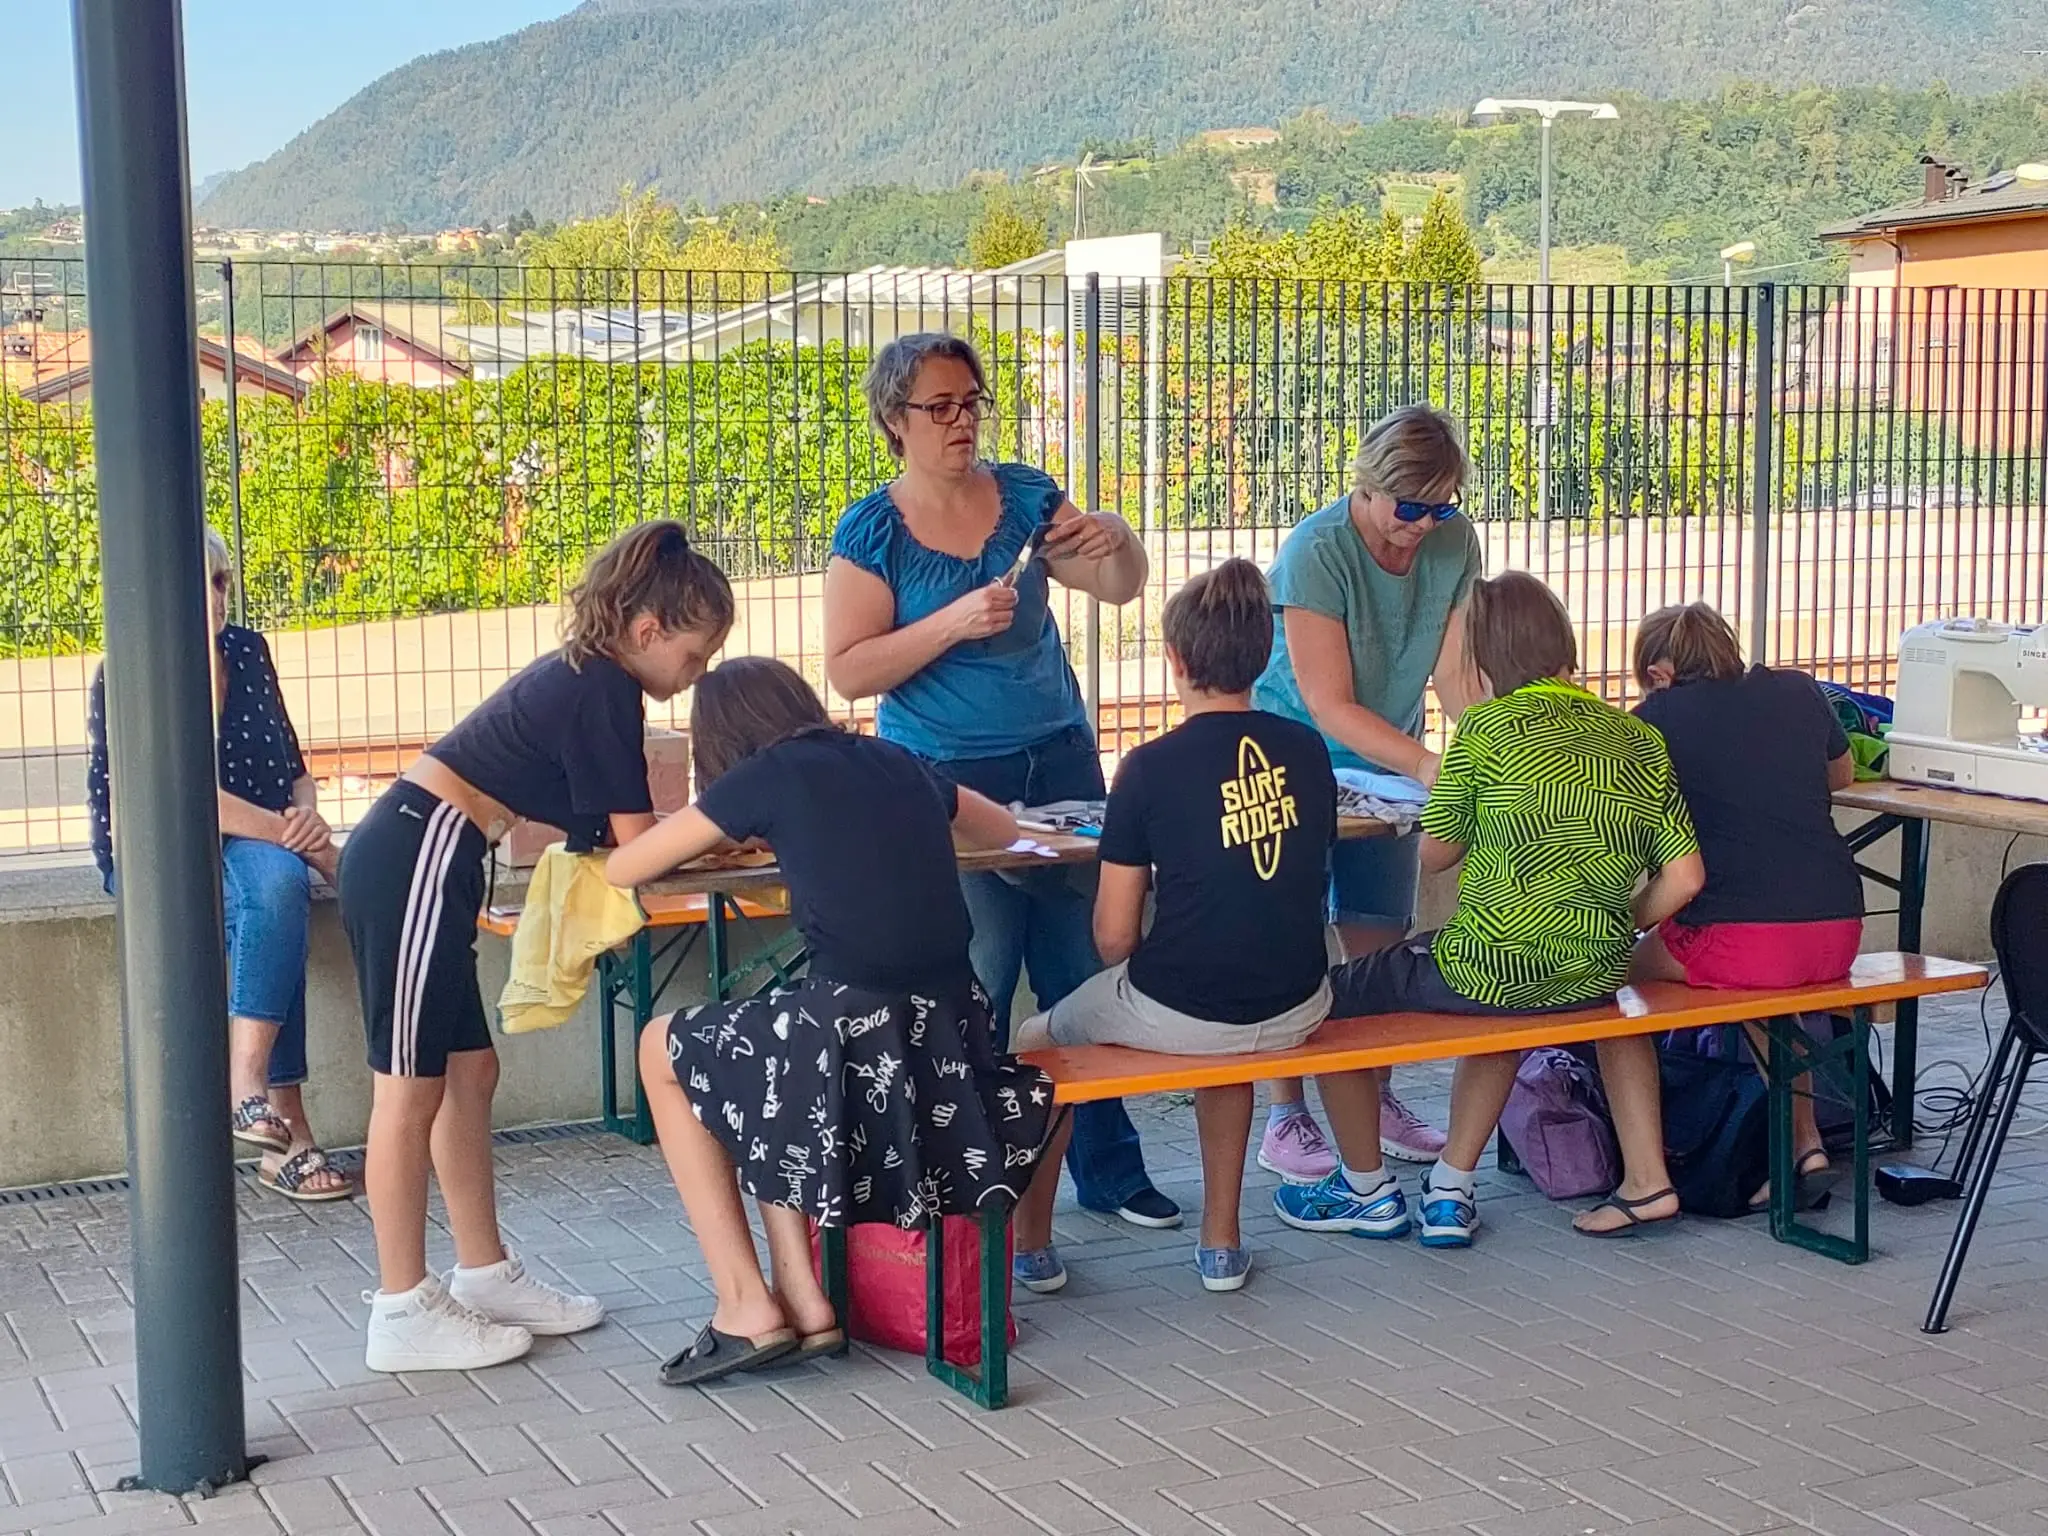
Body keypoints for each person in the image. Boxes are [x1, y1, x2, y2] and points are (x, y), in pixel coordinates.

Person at [823, 331, 1179, 1295]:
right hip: (943, 783)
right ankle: (987, 1197)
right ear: (894, 420)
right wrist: (946, 623)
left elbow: (1119, 587)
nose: (962, 420)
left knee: (1084, 975)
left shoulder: (1024, 494)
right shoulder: (872, 531)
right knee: (976, 987)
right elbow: (848, 671)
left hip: (1059, 758)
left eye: (971, 400)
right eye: (940, 406)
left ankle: (1111, 1174)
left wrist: (1114, 540)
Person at [339, 521, 734, 1373]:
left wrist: (704, 839)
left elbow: (613, 835)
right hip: (416, 855)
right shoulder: (605, 688)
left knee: (469, 1071)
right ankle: (401, 1307)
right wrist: (727, 831)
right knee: (407, 1089)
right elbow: (634, 842)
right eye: (695, 658)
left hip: (439, 856)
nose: (694, 677)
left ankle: (482, 1273)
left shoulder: (593, 680)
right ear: (647, 632)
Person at [607, 657, 1059, 1386]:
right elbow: (1002, 829)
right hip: (950, 1035)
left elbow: (625, 868)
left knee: (662, 1045)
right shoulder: (894, 759)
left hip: (856, 1043)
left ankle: (744, 1303)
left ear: (721, 743)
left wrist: (726, 832)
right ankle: (806, 1301)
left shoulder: (766, 776)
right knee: (760, 1044)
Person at [1274, 572, 1705, 1249]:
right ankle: (1449, 1188)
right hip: (1592, 973)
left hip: (1487, 967)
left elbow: (1438, 855)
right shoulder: (1637, 738)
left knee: (1322, 1004)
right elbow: (1685, 877)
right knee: (1506, 1008)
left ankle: (1364, 1188)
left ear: (1483, 660)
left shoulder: (1485, 729)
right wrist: (1623, 922)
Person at [1013, 561, 1337, 1293]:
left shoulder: (1148, 768)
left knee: (1037, 1042)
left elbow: (1114, 940)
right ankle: (1220, 1243)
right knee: (1228, 1034)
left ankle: (1032, 1246)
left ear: (1178, 661)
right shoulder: (1307, 749)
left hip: (1191, 1004)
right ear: (1262, 656)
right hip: (1299, 1000)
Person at [1250, 405, 1484, 1180]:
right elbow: (1328, 702)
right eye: (1406, 509)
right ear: (1368, 486)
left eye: (1440, 507)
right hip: (1294, 759)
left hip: (1388, 763)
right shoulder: (1318, 550)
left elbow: (1454, 674)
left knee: (1378, 935)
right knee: (1283, 940)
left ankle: (1374, 1097)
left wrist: (1488, 751)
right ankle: (1287, 1115)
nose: (1420, 526)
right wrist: (1427, 768)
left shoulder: (1453, 540)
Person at [86, 526, 349, 1203]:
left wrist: (306, 817)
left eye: (219, 580)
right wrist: (298, 842)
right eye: (194, 583)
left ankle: (270, 1121)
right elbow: (181, 797)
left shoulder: (250, 651)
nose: (213, 595)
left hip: (261, 843)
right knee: (278, 889)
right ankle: (258, 1099)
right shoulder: (130, 670)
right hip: (163, 856)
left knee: (279, 887)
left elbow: (293, 767)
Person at [1613, 601, 1864, 1219]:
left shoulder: (1655, 719)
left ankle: (1645, 1177)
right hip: (1838, 928)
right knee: (1768, 997)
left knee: (1603, 979)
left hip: (1745, 939)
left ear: (1660, 671)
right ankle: (1803, 1146)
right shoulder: (1798, 690)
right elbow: (1842, 774)